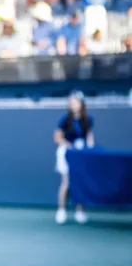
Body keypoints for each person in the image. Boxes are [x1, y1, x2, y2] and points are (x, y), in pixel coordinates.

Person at [54, 91, 95, 224]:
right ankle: (62, 210)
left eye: (76, 102)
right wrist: (69, 145)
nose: (74, 105)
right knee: (67, 182)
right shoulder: (65, 119)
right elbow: (58, 138)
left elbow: (89, 137)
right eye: (71, 102)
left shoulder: (87, 120)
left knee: (81, 182)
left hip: (81, 154)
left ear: (82, 104)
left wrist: (89, 148)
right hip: (67, 153)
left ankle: (80, 211)